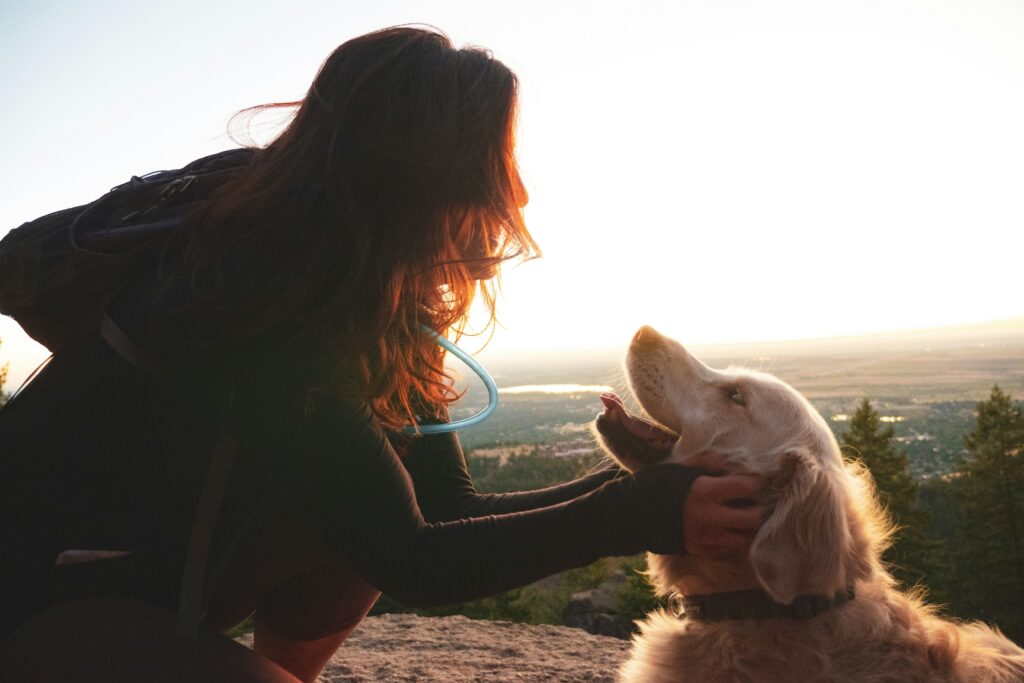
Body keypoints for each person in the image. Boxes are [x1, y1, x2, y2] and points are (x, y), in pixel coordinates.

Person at [0, 26, 765, 682]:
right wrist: (637, 513)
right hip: (36, 596)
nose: (518, 196)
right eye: (491, 164)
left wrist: (642, 484)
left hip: (152, 579)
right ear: (414, 175)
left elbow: (445, 512)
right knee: (375, 534)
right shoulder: (243, 298)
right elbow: (417, 561)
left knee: (371, 513)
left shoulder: (376, 300)